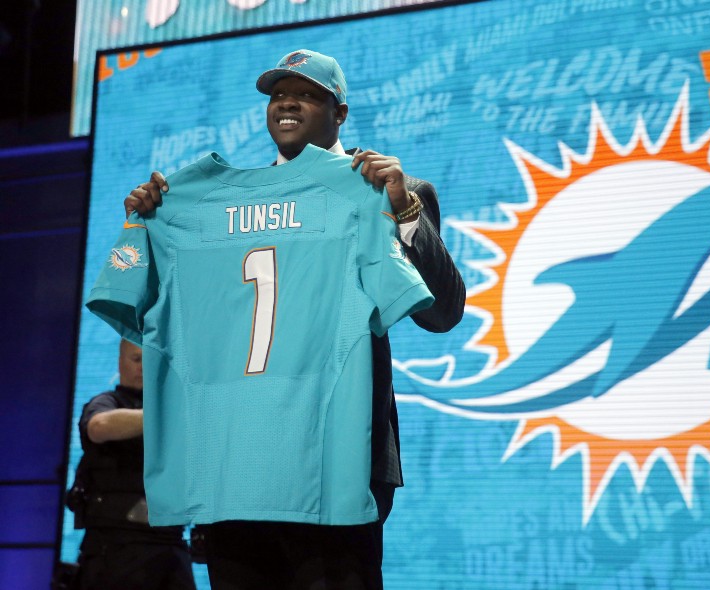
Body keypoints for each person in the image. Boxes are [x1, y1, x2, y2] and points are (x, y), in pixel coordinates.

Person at [118, 49, 466, 589]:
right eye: (278, 95)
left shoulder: (389, 189)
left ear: (340, 113)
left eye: (306, 95)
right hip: (236, 454)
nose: (287, 103)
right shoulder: (213, 204)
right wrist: (153, 218)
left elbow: (443, 313)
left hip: (340, 456)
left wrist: (403, 210)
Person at [68, 339, 196, 590]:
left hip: (170, 542)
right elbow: (98, 426)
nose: (142, 368)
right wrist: (162, 417)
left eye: (150, 361)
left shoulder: (179, 410)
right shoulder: (107, 402)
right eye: (136, 359)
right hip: (116, 545)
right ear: (120, 362)